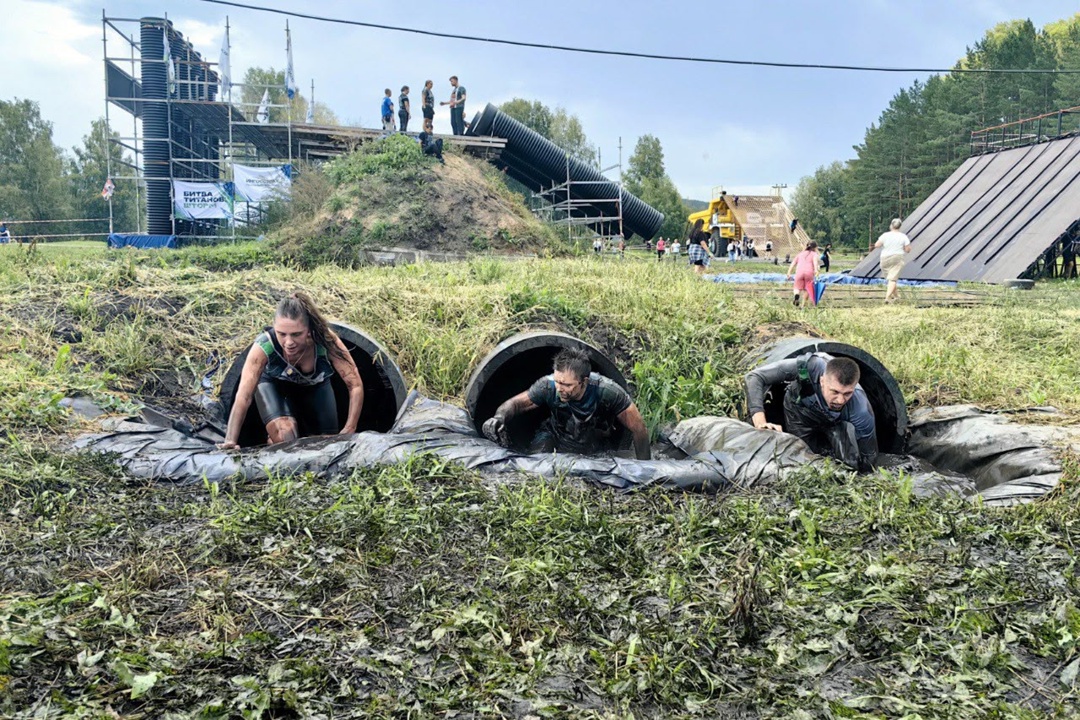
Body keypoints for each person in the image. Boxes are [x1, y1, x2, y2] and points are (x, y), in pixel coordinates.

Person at [220, 293, 365, 450]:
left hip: (316, 386)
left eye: (296, 334)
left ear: (309, 330)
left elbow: (355, 384)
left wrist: (350, 428)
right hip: (274, 385)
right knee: (286, 436)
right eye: (281, 334)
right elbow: (244, 396)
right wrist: (230, 440)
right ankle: (274, 440)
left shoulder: (325, 340)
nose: (288, 343)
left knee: (327, 446)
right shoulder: (264, 345)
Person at [482, 347, 651, 459]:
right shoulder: (548, 386)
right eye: (557, 381)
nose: (560, 388)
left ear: (584, 382)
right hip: (554, 434)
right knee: (536, 461)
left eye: (567, 385)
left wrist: (645, 467)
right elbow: (516, 404)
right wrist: (499, 417)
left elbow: (639, 428)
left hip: (591, 440)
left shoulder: (608, 392)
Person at [744, 353, 878, 472]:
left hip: (834, 422)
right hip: (799, 413)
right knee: (801, 459)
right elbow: (755, 376)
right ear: (822, 381)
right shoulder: (809, 367)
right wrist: (760, 422)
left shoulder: (861, 411)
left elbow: (869, 457)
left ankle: (834, 436)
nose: (841, 400)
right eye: (835, 392)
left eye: (848, 393)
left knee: (849, 464)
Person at [874, 218, 911, 303]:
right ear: (900, 226)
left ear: (891, 225)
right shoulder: (903, 236)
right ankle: (887, 298)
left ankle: (897, 297)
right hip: (897, 257)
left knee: (890, 279)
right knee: (893, 279)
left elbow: (877, 245)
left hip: (884, 258)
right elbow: (908, 249)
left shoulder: (885, 235)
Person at [786, 241, 820, 307]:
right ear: (815, 247)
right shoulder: (814, 254)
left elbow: (793, 263)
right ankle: (803, 306)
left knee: (796, 287)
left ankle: (796, 295)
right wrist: (816, 270)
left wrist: (789, 272)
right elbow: (815, 262)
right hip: (809, 272)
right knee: (807, 288)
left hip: (799, 272)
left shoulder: (800, 254)